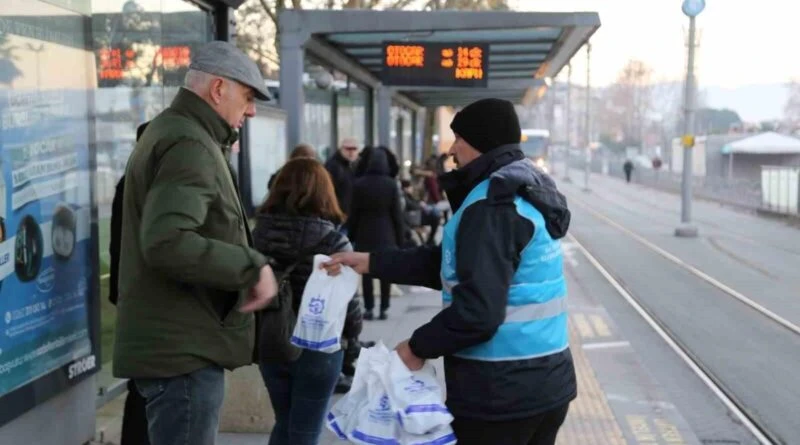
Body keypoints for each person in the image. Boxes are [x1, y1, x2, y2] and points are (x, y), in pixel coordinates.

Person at [323, 98, 576, 445]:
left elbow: (478, 312)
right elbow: (449, 264)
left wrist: (416, 347)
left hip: (501, 391)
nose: (453, 149)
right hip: (543, 380)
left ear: (482, 142)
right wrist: (372, 262)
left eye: (460, 138)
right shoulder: (524, 190)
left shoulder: (491, 207)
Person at [113, 41, 278, 445]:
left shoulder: (180, 133)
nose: (252, 110)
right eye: (248, 96)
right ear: (219, 89)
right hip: (183, 352)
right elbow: (168, 241)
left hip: (179, 345)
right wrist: (251, 266)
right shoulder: (190, 143)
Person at [252, 158, 362, 445]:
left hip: (272, 338)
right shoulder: (334, 242)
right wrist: (353, 341)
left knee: (285, 421)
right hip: (320, 344)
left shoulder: (256, 237)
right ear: (324, 192)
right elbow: (350, 303)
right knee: (306, 430)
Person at [348, 146, 405, 320]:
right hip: (386, 233)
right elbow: (397, 214)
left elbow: (354, 213)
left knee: (365, 271)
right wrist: (399, 238)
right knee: (385, 270)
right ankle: (384, 307)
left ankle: (369, 307)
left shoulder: (359, 184)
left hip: (365, 232)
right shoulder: (390, 184)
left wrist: (352, 235)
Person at [324, 137, 359, 220]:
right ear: (341, 149)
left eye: (354, 149)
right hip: (338, 215)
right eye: (348, 149)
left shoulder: (352, 166)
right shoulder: (334, 166)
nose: (351, 152)